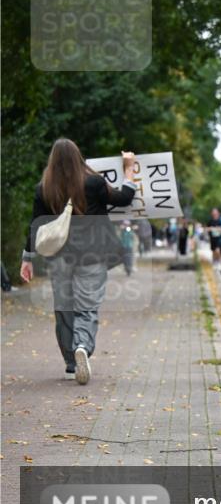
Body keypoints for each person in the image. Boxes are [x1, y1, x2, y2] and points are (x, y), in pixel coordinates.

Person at [20, 139, 138, 384]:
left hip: (59, 257)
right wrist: (128, 169)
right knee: (87, 307)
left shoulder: (44, 188)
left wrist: (27, 258)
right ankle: (82, 345)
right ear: (78, 157)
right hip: (92, 255)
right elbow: (124, 198)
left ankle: (71, 363)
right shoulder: (93, 182)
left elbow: (35, 224)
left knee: (63, 309)